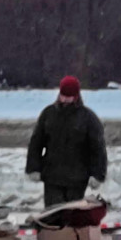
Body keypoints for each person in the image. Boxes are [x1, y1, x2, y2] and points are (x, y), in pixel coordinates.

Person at [25, 75, 108, 207]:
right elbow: (36, 142)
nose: (65, 99)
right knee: (53, 215)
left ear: (76, 97)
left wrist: (97, 174)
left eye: (68, 97)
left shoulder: (88, 118)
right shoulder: (48, 114)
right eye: (63, 95)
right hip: (52, 177)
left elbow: (97, 149)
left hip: (78, 179)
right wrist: (33, 168)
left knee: (72, 216)